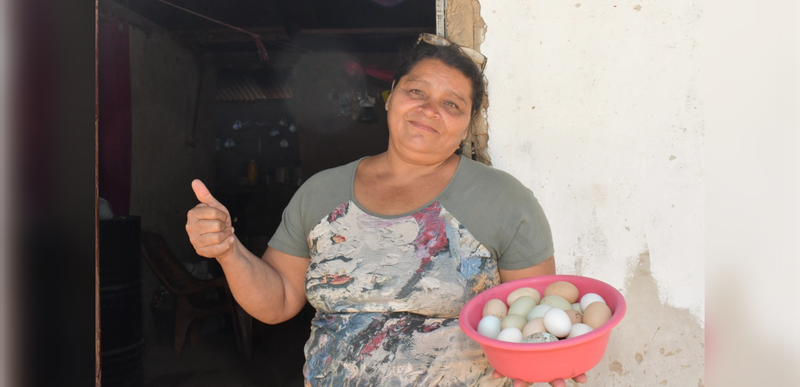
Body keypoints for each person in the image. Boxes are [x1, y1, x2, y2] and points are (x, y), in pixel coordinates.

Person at [186, 34, 587, 387]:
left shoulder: (504, 200)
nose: (430, 109)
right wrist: (228, 250)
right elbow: (278, 301)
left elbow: (531, 319)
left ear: (466, 126)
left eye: (451, 104)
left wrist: (548, 358)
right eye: (417, 92)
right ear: (391, 95)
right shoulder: (321, 192)